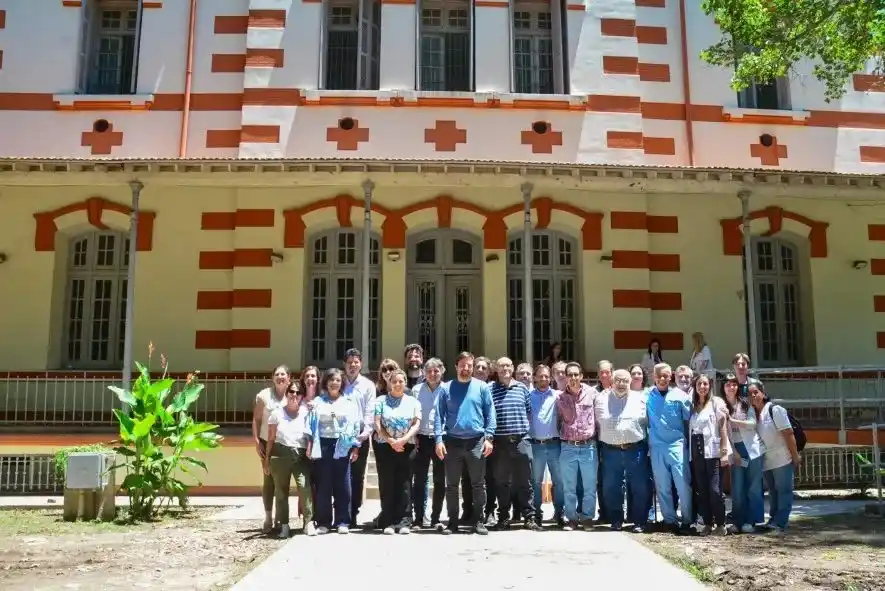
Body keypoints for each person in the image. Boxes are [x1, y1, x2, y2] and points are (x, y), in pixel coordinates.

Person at [435, 351, 496, 535]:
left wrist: (489, 438)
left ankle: (478, 521)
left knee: (478, 484)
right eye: (463, 365)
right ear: (456, 366)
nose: (466, 368)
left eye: (469, 365)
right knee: (452, 485)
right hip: (452, 442)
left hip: (476, 442)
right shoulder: (446, 388)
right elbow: (438, 415)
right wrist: (438, 439)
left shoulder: (481, 387)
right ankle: (453, 522)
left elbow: (490, 414)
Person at [595, 368, 650, 533]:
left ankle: (639, 521)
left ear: (630, 382)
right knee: (611, 487)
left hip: (635, 449)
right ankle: (616, 519)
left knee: (640, 486)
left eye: (625, 380)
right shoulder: (600, 398)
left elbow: (648, 423)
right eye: (618, 380)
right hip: (610, 450)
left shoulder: (641, 399)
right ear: (612, 380)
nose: (621, 383)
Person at [309, 368, 361, 534]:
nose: (334, 383)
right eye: (331, 380)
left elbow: (354, 427)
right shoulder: (318, 401)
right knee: (324, 485)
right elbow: (311, 425)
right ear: (326, 382)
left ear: (342, 383)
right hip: (323, 445)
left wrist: (354, 447)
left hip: (342, 445)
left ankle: (343, 521)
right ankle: (324, 522)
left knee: (343, 485)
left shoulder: (348, 403)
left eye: (338, 380)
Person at [489, 357, 537, 530]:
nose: (505, 369)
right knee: (501, 482)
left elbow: (529, 412)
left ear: (513, 367)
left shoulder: (522, 389)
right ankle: (503, 518)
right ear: (496, 368)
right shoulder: (490, 389)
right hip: (500, 443)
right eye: (501, 366)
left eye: (508, 365)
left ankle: (529, 517)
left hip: (521, 440)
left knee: (525, 481)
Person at [263, 383, 316, 538]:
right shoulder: (276, 414)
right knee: (281, 490)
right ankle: (284, 525)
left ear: (302, 396)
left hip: (300, 455)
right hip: (280, 453)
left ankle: (308, 523)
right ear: (287, 394)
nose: (294, 395)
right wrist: (266, 459)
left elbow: (311, 434)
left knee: (304, 487)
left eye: (298, 392)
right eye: (291, 391)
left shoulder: (306, 413)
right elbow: (271, 438)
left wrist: (310, 448)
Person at [374, 369, 422, 535]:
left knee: (405, 483)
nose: (397, 384)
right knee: (388, 483)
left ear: (405, 383)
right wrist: (391, 441)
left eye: (401, 381)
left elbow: (416, 424)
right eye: (394, 381)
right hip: (385, 447)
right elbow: (378, 424)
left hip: (406, 446)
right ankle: (388, 521)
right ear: (389, 383)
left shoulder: (413, 402)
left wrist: (403, 439)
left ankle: (404, 521)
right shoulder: (380, 401)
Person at [749, 381, 802, 534]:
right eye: (750, 394)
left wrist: (795, 456)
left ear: (763, 394)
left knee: (784, 491)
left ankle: (781, 522)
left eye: (756, 392)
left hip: (782, 458)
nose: (753, 396)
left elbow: (788, 433)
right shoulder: (753, 414)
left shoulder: (775, 410)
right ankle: (773, 519)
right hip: (767, 460)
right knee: (773, 492)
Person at [647, 363, 693, 534]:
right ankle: (670, 520)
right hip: (657, 446)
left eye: (666, 375)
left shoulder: (680, 396)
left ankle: (688, 520)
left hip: (677, 445)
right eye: (659, 375)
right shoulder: (648, 395)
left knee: (683, 485)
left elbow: (689, 422)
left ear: (671, 376)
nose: (663, 378)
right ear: (654, 376)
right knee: (662, 486)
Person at [556, 362, 598, 530]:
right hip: (568, 447)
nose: (573, 378)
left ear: (581, 376)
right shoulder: (559, 398)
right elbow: (557, 421)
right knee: (569, 486)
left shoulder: (592, 393)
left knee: (589, 486)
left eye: (576, 374)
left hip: (588, 446)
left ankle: (587, 518)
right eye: (570, 375)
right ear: (565, 377)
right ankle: (572, 518)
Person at [688, 374, 730, 536]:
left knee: (715, 489)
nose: (702, 387)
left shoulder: (716, 402)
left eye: (705, 384)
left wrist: (724, 452)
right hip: (697, 451)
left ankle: (721, 523)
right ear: (695, 386)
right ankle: (707, 523)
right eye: (699, 384)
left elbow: (723, 427)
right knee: (702, 490)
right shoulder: (693, 405)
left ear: (709, 386)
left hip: (713, 451)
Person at [722, 373, 764, 532]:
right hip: (735, 449)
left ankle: (751, 521)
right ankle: (738, 522)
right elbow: (724, 432)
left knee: (753, 487)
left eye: (734, 384)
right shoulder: (721, 406)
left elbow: (752, 424)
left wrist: (733, 421)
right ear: (723, 388)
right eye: (728, 384)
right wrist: (734, 453)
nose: (731, 387)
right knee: (737, 488)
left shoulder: (745, 404)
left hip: (751, 448)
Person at [341, 348, 377, 527]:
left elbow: (370, 413)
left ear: (360, 364)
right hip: (339, 438)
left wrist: (362, 438)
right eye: (349, 362)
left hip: (360, 438)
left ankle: (353, 513)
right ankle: (340, 514)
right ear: (344, 365)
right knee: (339, 476)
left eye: (356, 362)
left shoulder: (368, 386)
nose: (353, 365)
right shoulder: (338, 382)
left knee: (357, 477)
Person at [252, 365, 290, 533]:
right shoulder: (264, 395)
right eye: (277, 374)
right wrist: (256, 441)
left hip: (286, 444)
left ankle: (280, 518)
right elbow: (257, 419)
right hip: (267, 442)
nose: (280, 377)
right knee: (269, 480)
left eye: (283, 374)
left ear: (289, 378)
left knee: (282, 483)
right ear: (273, 377)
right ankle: (268, 516)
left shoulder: (294, 394)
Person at [411, 358, 447, 529]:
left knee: (440, 480)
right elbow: (411, 414)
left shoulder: (448, 390)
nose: (433, 374)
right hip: (421, 439)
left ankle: (436, 518)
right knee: (419, 480)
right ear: (424, 373)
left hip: (441, 440)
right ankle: (418, 518)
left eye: (436, 371)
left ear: (442, 371)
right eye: (429, 371)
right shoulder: (416, 390)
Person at [529, 364, 564, 527]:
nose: (543, 379)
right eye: (540, 376)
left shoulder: (558, 396)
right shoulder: (529, 396)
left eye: (546, 376)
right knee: (536, 482)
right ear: (535, 378)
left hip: (554, 445)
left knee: (559, 481)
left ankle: (559, 513)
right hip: (536, 445)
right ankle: (536, 513)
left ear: (550, 378)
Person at [369, 359, 400, 529]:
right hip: (381, 443)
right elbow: (375, 420)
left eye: (391, 369)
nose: (388, 372)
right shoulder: (377, 393)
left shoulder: (405, 391)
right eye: (384, 370)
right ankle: (386, 513)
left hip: (401, 443)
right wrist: (388, 439)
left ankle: (399, 515)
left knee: (400, 480)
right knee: (385, 480)